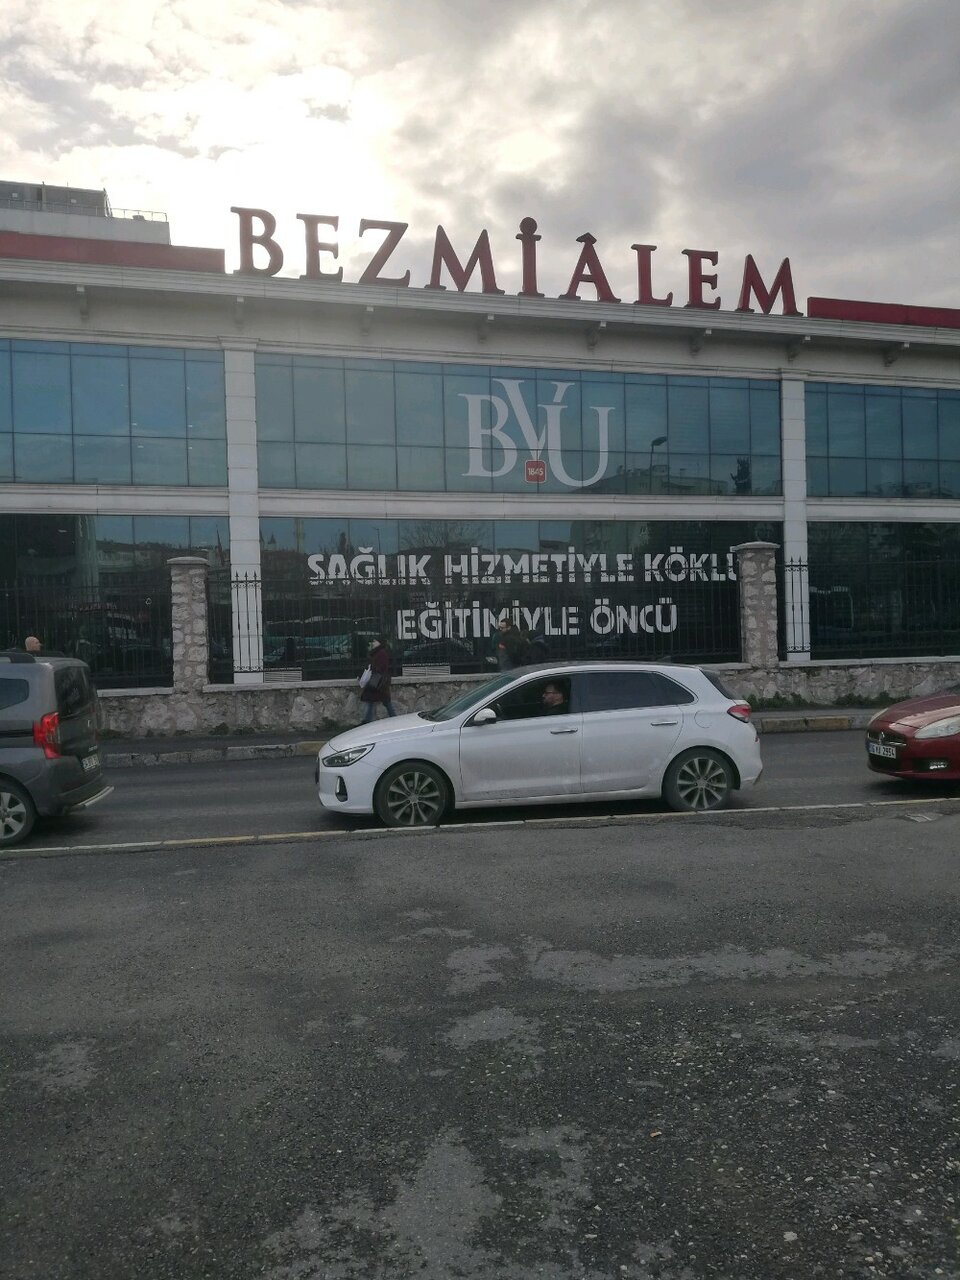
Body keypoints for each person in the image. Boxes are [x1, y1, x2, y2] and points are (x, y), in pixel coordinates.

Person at [359, 638, 397, 723]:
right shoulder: (377, 652)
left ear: (379, 642)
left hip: (379, 682)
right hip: (378, 682)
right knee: (376, 701)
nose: (373, 643)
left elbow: (382, 667)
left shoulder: (381, 653)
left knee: (382, 701)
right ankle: (367, 720)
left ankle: (367, 721)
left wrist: (373, 669)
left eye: (374, 641)